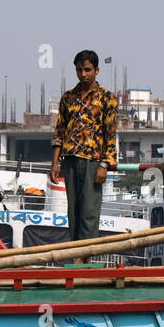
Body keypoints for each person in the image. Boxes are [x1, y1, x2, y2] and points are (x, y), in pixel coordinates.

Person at [50, 49, 118, 242]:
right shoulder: (68, 97)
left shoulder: (107, 98)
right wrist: (54, 164)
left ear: (96, 70)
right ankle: (76, 254)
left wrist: (105, 165)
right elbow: (59, 132)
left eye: (87, 70)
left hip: (93, 162)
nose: (83, 74)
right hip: (70, 161)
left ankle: (86, 257)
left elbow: (110, 134)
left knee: (89, 211)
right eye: (79, 70)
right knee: (74, 212)